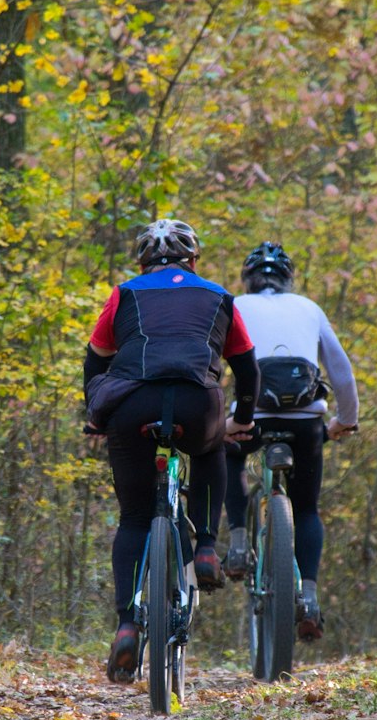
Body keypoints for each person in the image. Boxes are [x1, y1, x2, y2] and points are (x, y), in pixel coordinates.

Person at [85, 218, 259, 682]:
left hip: (131, 404)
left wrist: (95, 413)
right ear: (193, 260)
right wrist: (240, 420)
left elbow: (95, 358)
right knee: (211, 450)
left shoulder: (124, 294)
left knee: (135, 519)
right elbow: (246, 367)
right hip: (196, 402)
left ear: (142, 262)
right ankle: (204, 547)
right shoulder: (220, 296)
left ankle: (126, 625)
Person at [223, 241, 358, 640]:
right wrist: (344, 422)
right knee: (307, 508)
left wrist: (217, 421)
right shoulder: (308, 307)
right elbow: (341, 371)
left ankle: (235, 542)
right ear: (287, 279)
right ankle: (311, 598)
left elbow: (212, 365)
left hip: (252, 417)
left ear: (248, 278)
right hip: (306, 422)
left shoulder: (234, 307)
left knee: (228, 454)